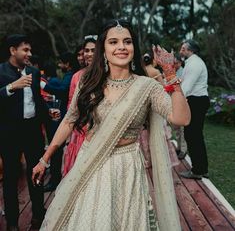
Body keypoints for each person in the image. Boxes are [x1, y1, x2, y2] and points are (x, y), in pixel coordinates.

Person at [32, 19, 190, 231]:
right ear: (103, 49)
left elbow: (181, 119)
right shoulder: (88, 82)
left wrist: (171, 76)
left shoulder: (147, 86)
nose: (121, 47)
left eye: (127, 41)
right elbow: (69, 120)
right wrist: (45, 158)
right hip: (90, 164)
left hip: (126, 167)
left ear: (134, 46)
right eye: (113, 42)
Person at [0, 34, 49, 230]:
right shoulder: (1, 72)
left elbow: (37, 100)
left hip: (33, 132)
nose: (29, 53)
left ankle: (38, 215)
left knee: (36, 174)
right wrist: (13, 86)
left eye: (30, 50)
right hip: (10, 134)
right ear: (13, 51)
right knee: (11, 179)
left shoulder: (34, 72)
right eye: (25, 50)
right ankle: (12, 223)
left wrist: (49, 115)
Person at [62, 35, 97, 177]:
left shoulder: (109, 74)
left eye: (93, 50)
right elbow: (71, 103)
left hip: (100, 129)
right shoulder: (77, 76)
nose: (89, 54)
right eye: (86, 51)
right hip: (81, 129)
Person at [41, 52, 75, 192]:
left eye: (61, 63)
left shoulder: (69, 75)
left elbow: (62, 92)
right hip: (64, 115)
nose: (60, 66)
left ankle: (55, 180)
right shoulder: (69, 75)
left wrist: (42, 85)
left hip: (66, 117)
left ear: (67, 64)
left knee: (57, 150)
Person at [179, 39, 210, 179]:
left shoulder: (194, 64)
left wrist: (176, 101)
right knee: (194, 135)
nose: (181, 50)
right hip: (196, 101)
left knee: (193, 135)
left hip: (196, 101)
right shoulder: (192, 62)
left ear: (190, 50)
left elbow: (186, 87)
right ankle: (201, 169)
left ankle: (198, 170)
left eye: (183, 48)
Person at [173, 54, 187, 160]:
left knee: (182, 128)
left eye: (176, 62)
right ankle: (178, 147)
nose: (174, 64)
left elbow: (178, 85)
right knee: (176, 126)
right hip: (175, 101)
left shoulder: (183, 72)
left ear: (180, 62)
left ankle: (183, 150)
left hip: (182, 101)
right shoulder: (173, 72)